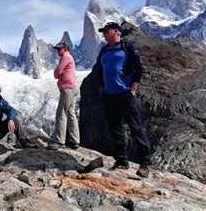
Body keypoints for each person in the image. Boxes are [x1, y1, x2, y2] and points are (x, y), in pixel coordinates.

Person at [94, 22, 151, 178]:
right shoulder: (104, 50)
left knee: (136, 127)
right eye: (103, 32)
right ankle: (121, 161)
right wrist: (101, 87)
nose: (104, 34)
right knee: (115, 128)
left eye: (106, 31)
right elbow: (99, 69)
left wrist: (133, 87)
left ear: (116, 32)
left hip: (125, 94)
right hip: (109, 95)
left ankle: (144, 163)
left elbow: (138, 67)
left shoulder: (127, 46)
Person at [48, 42, 81, 150]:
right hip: (73, 87)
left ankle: (59, 141)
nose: (58, 51)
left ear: (65, 48)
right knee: (71, 113)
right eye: (57, 49)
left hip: (68, 88)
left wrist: (59, 73)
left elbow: (57, 73)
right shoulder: (67, 57)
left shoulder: (65, 56)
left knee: (61, 112)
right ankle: (75, 141)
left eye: (60, 49)